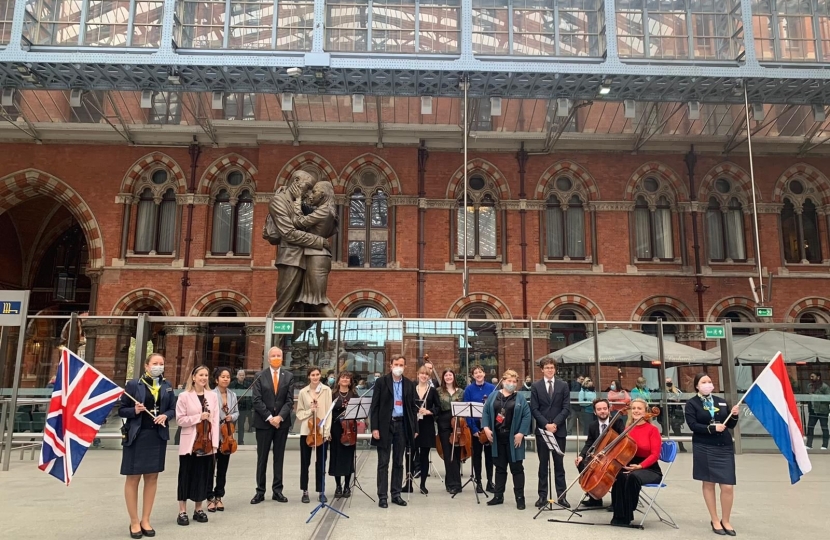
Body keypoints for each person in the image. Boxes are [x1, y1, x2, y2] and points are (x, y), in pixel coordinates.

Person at [120, 353, 176, 539]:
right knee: (133, 477)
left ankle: (146, 519)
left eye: (161, 363)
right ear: (146, 366)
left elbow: (172, 408)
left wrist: (166, 416)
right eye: (155, 363)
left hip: (157, 436)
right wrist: (134, 410)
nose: (158, 366)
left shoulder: (167, 386)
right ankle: (134, 521)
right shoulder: (133, 385)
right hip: (137, 435)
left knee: (152, 477)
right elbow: (121, 409)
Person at [685, 373, 740, 536]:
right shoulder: (692, 404)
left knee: (727, 486)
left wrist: (735, 415)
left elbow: (729, 423)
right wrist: (710, 429)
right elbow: (692, 425)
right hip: (704, 446)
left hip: (723, 446)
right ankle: (715, 519)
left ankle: (726, 520)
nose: (708, 384)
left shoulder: (720, 401)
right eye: (704, 382)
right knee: (709, 484)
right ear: (697, 386)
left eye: (709, 381)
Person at [370, 355, 418, 508]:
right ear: (390, 366)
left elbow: (412, 408)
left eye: (401, 364)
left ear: (405, 366)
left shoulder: (409, 384)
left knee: (398, 462)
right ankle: (382, 496)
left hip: (402, 425)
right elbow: (375, 406)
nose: (399, 367)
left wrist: (414, 428)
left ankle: (396, 494)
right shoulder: (381, 382)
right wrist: (375, 427)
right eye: (396, 364)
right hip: (385, 425)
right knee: (383, 462)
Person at [175, 365, 220, 526]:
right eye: (201, 375)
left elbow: (215, 421)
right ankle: (182, 511)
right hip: (190, 443)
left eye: (206, 375)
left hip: (206, 443)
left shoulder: (212, 396)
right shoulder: (184, 396)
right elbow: (180, 420)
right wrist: (198, 417)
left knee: (203, 476)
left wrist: (214, 444)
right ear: (193, 377)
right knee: (186, 475)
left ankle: (198, 509)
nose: (204, 378)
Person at [251, 346, 295, 504]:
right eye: (273, 355)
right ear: (268, 359)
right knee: (262, 458)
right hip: (264, 423)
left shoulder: (288, 376)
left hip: (281, 424)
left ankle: (277, 491)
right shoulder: (259, 376)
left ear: (282, 358)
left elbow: (289, 400)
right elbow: (256, 400)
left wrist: (279, 417)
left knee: (279, 457)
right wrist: (270, 417)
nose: (276, 358)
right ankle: (260, 491)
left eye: (279, 355)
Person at [481, 370, 530, 510]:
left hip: (514, 439)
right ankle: (498, 496)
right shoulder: (493, 396)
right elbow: (485, 412)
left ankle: (520, 498)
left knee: (517, 469)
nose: (512, 384)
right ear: (503, 381)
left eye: (514, 382)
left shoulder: (520, 398)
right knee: (500, 468)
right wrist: (486, 428)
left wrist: (521, 433)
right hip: (497, 438)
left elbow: (527, 416)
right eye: (509, 381)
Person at [609, 398, 662, 527]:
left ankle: (628, 512)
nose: (636, 411)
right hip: (630, 464)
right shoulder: (628, 429)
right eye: (634, 408)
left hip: (649, 468)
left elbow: (655, 455)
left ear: (645, 412)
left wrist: (640, 466)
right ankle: (619, 516)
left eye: (639, 408)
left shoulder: (652, 430)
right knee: (619, 476)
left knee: (632, 477)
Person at [292, 180, 338, 318]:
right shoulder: (326, 210)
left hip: (316, 257)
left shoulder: (323, 211)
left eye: (314, 191)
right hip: (315, 255)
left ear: (323, 195)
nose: (311, 195)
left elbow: (298, 222)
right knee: (305, 302)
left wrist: (297, 200)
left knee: (318, 302)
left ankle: (338, 335)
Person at [530, 358, 571, 509]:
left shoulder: (563, 385)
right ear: (542, 369)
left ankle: (562, 496)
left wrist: (555, 424)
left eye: (551, 367)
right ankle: (542, 496)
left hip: (559, 431)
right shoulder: (536, 386)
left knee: (559, 465)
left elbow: (566, 408)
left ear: (555, 369)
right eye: (546, 367)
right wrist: (545, 425)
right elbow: (534, 408)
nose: (549, 370)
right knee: (543, 465)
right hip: (542, 431)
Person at [574, 398, 625, 507]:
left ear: (609, 410)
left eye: (604, 408)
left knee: (616, 471)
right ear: (594, 412)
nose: (602, 411)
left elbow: (623, 441)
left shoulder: (617, 422)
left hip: (613, 456)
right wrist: (581, 456)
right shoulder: (593, 426)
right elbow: (589, 443)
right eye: (599, 409)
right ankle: (594, 498)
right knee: (582, 464)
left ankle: (616, 501)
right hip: (599, 457)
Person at [296, 366, 333, 503]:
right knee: (305, 463)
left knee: (321, 463)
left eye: (317, 374)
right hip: (307, 431)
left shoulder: (326, 390)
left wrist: (326, 431)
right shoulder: (303, 392)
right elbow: (299, 413)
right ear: (308, 376)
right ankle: (305, 491)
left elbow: (329, 413)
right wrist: (309, 411)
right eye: (313, 375)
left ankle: (321, 491)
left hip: (321, 432)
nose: (315, 377)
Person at [207, 367, 239, 512]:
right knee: (210, 468)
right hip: (213, 435)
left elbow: (236, 412)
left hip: (226, 436)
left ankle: (219, 496)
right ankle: (209, 497)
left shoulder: (232, 395)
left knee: (222, 469)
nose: (226, 379)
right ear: (216, 379)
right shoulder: (210, 394)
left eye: (228, 377)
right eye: (223, 377)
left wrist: (231, 417)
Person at [463, 364, 496, 493]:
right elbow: (467, 411)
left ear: (484, 373)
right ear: (473, 375)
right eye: (475, 373)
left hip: (489, 427)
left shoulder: (492, 388)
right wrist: (474, 429)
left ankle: (489, 482)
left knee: (489, 456)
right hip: (476, 427)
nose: (478, 374)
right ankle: (479, 483)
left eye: (480, 372)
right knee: (477, 456)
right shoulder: (469, 390)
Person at [436, 368, 465, 494]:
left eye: (450, 375)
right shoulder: (438, 391)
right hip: (444, 422)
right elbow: (436, 407)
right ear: (443, 378)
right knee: (448, 454)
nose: (448, 377)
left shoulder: (461, 392)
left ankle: (457, 483)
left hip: (457, 423)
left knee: (457, 454)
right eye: (446, 375)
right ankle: (450, 483)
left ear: (454, 377)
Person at [329, 371, 357, 498]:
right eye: (343, 377)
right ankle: (338, 486)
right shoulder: (332, 394)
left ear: (350, 381)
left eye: (347, 378)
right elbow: (328, 413)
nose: (345, 379)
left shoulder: (354, 395)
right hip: (336, 429)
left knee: (348, 458)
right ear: (338, 380)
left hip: (350, 429)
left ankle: (347, 486)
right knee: (336, 457)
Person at [413, 365, 439, 494]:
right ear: (418, 374)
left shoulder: (433, 391)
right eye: (422, 374)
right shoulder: (412, 389)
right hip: (413, 425)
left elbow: (438, 407)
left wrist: (429, 411)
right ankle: (409, 483)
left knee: (424, 455)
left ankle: (423, 484)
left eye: (426, 374)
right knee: (410, 455)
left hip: (427, 425)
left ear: (429, 377)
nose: (424, 376)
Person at [806, 371, 829, 450]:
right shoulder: (809, 386)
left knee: (824, 428)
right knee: (810, 427)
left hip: (822, 411)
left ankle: (824, 445)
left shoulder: (824, 387)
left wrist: (817, 397)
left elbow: (828, 398)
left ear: (818, 377)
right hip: (812, 410)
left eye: (813, 376)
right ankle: (809, 444)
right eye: (810, 376)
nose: (811, 378)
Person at [664, 377, 687, 452]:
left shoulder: (676, 389)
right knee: (666, 432)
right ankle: (665, 449)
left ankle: (681, 447)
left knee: (678, 431)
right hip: (666, 413)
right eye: (667, 382)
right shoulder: (662, 390)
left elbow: (683, 396)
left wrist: (678, 399)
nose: (669, 383)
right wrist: (670, 399)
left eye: (670, 381)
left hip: (676, 413)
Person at [229, 369, 252, 445]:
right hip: (234, 408)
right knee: (232, 426)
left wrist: (249, 407)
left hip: (243, 409)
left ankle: (240, 442)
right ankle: (230, 440)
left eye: (243, 375)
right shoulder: (232, 384)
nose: (242, 376)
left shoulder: (248, 384)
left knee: (241, 426)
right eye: (240, 375)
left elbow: (249, 397)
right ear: (237, 376)